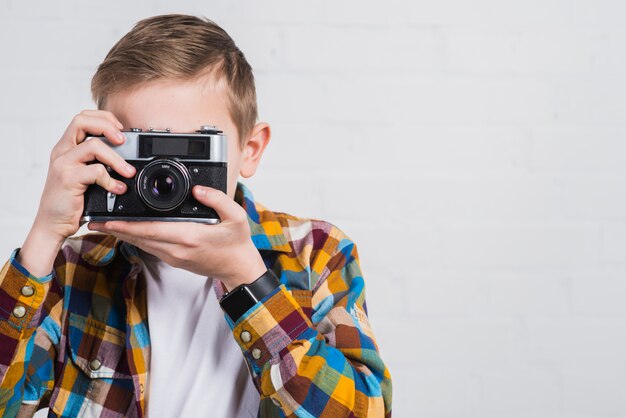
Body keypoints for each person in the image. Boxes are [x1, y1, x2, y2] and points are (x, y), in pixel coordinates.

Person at [0, 14, 392, 418]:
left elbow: (364, 413)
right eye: (142, 147)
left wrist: (248, 279)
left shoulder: (316, 253)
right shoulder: (73, 267)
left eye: (193, 146)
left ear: (250, 150)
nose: (164, 175)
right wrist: (45, 234)